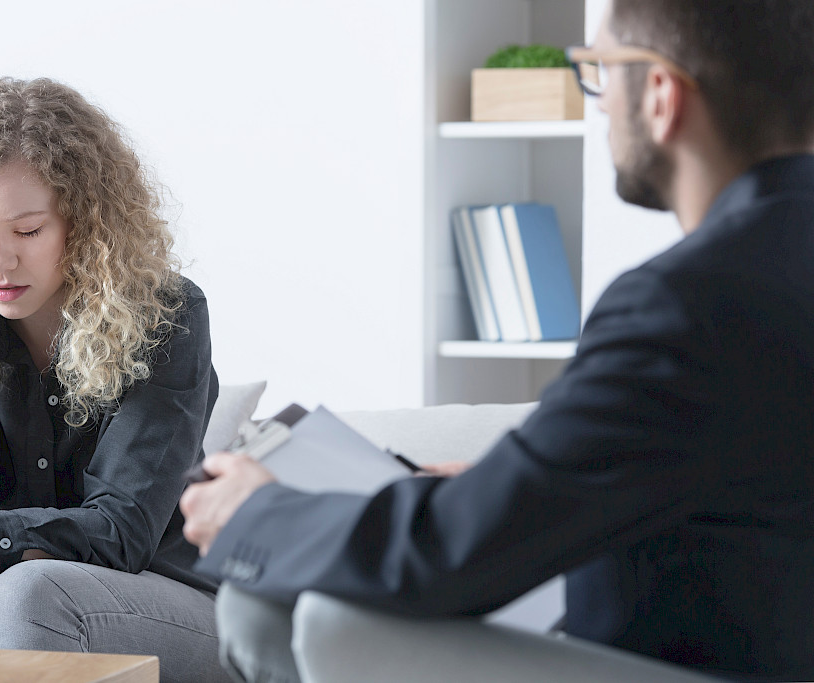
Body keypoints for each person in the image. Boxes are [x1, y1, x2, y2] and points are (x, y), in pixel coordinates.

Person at [178, 1, 814, 681]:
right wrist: (512, 476)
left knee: (315, 612)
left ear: (660, 94)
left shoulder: (683, 307)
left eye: (598, 72)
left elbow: (450, 556)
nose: (597, 105)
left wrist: (260, 511)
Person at [0, 77, 230, 683]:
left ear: (83, 223)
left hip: (163, 601)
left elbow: (123, 533)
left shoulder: (167, 316)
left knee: (30, 591)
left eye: (28, 231)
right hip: (17, 597)